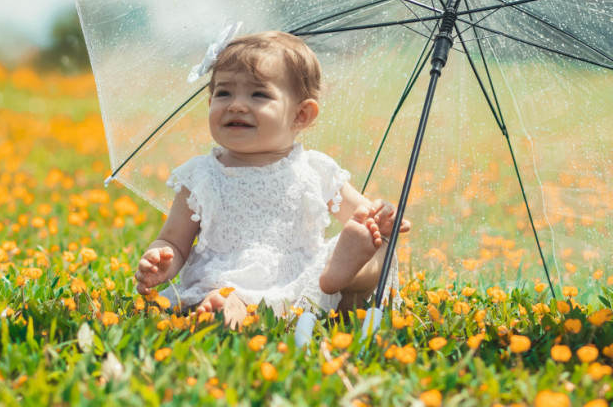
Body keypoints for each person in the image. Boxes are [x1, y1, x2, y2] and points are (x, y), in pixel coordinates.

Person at [133, 29, 409, 329]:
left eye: (259, 94)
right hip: (229, 279)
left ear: (300, 115)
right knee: (224, 296)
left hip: (307, 278)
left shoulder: (315, 169)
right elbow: (174, 240)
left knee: (380, 247)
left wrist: (381, 219)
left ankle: (342, 270)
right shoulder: (201, 176)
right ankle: (227, 306)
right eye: (224, 93)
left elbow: (363, 215)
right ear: (210, 102)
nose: (236, 105)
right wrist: (161, 259)